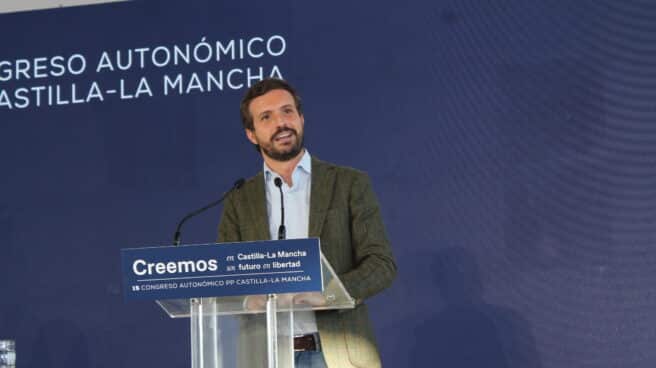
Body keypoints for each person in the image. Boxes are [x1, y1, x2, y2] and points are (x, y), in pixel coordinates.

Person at [218, 78, 397, 368]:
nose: (281, 123)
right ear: (251, 134)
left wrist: (328, 293)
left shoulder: (348, 183)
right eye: (267, 117)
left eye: (287, 111)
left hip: (338, 354)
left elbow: (381, 264)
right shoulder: (238, 200)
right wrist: (247, 299)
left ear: (301, 118)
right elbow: (225, 278)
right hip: (265, 355)